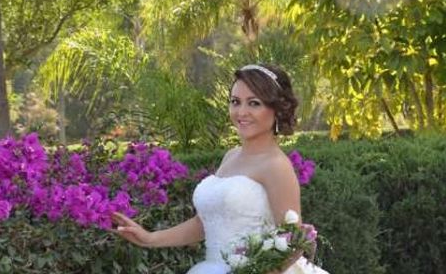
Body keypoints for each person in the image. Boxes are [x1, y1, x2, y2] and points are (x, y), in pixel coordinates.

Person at [112, 64, 330, 274]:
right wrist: (150, 238)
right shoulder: (231, 156)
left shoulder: (276, 166)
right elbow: (207, 222)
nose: (241, 112)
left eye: (254, 103)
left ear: (276, 109)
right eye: (235, 102)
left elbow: (293, 242)